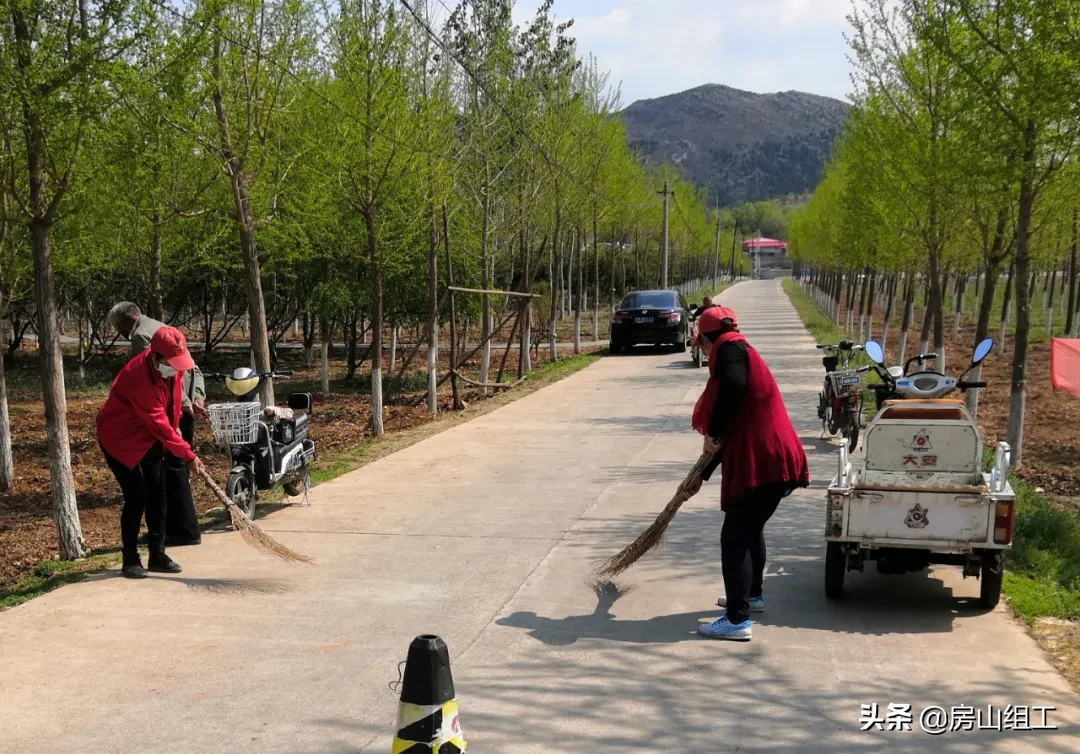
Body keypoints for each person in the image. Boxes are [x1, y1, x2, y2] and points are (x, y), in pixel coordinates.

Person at [691, 306, 809, 641]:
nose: (702, 350)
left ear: (708, 339)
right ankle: (751, 596)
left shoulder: (729, 351)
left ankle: (737, 619)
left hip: (765, 459)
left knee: (735, 538)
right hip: (773, 456)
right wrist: (703, 473)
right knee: (751, 527)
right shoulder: (743, 349)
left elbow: (733, 387)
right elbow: (736, 420)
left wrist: (712, 432)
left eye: (701, 343)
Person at [97, 326, 206, 578]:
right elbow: (156, 420)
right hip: (120, 439)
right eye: (171, 362)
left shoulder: (172, 368)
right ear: (155, 356)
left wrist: (176, 422)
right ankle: (130, 559)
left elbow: (174, 399)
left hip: (151, 436)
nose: (176, 368)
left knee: (158, 493)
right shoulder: (138, 377)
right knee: (137, 496)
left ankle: (157, 554)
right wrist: (188, 454)